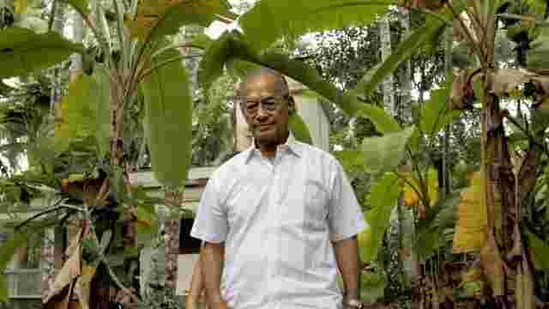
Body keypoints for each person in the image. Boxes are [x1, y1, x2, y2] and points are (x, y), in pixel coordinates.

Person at [190, 68, 367, 309]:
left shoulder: (325, 168)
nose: (260, 114)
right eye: (251, 107)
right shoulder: (224, 177)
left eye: (269, 104)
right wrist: (214, 299)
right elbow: (212, 245)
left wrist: (352, 298)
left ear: (290, 104)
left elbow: (345, 237)